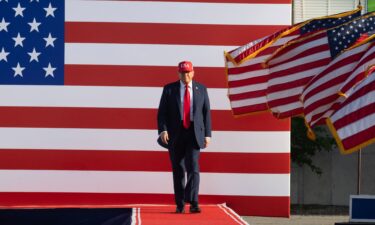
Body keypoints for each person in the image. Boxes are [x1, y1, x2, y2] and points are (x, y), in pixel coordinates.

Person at [157, 61, 212, 214]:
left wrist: (208, 134)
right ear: (178, 73)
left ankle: (193, 202)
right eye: (182, 73)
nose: (185, 75)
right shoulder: (169, 89)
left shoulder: (201, 89)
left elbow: (206, 112)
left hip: (195, 133)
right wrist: (163, 130)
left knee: (193, 167)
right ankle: (180, 204)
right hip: (176, 133)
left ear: (193, 72)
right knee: (178, 169)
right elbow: (162, 113)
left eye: (188, 72)